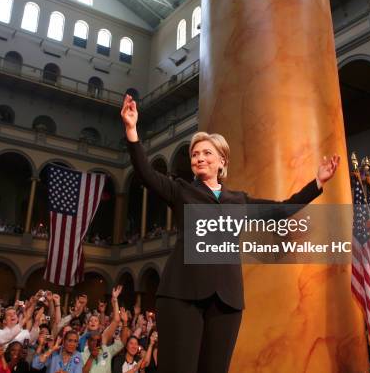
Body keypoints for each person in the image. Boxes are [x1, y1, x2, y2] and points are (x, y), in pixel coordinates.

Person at [120, 94, 340, 373]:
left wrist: (317, 182)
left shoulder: (239, 200)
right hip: (181, 295)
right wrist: (131, 130)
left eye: (206, 153)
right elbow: (146, 174)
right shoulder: (180, 190)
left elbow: (282, 211)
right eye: (194, 154)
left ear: (222, 161)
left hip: (226, 300)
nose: (199, 158)